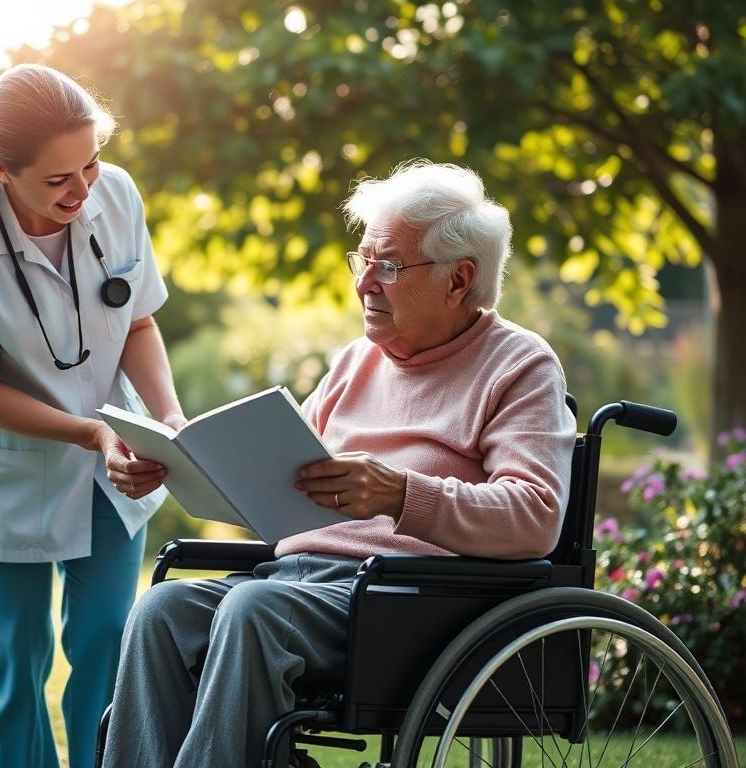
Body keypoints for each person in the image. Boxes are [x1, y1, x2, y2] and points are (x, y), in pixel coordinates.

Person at [102, 160, 578, 768]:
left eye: (391, 266)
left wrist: (400, 494)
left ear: (459, 280)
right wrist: (183, 467)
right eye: (364, 261)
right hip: (295, 582)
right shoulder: (357, 361)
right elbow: (280, 478)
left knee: (253, 612)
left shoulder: (519, 365)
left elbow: (535, 516)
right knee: (161, 612)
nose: (365, 285)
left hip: (406, 603)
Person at [0, 64, 185, 768]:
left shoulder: (116, 194)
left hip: (115, 468)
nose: (83, 189)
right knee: (18, 665)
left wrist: (170, 416)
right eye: (58, 179)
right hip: (10, 470)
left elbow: (140, 324)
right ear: (1, 168)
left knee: (104, 646)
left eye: (89, 164)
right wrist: (91, 429)